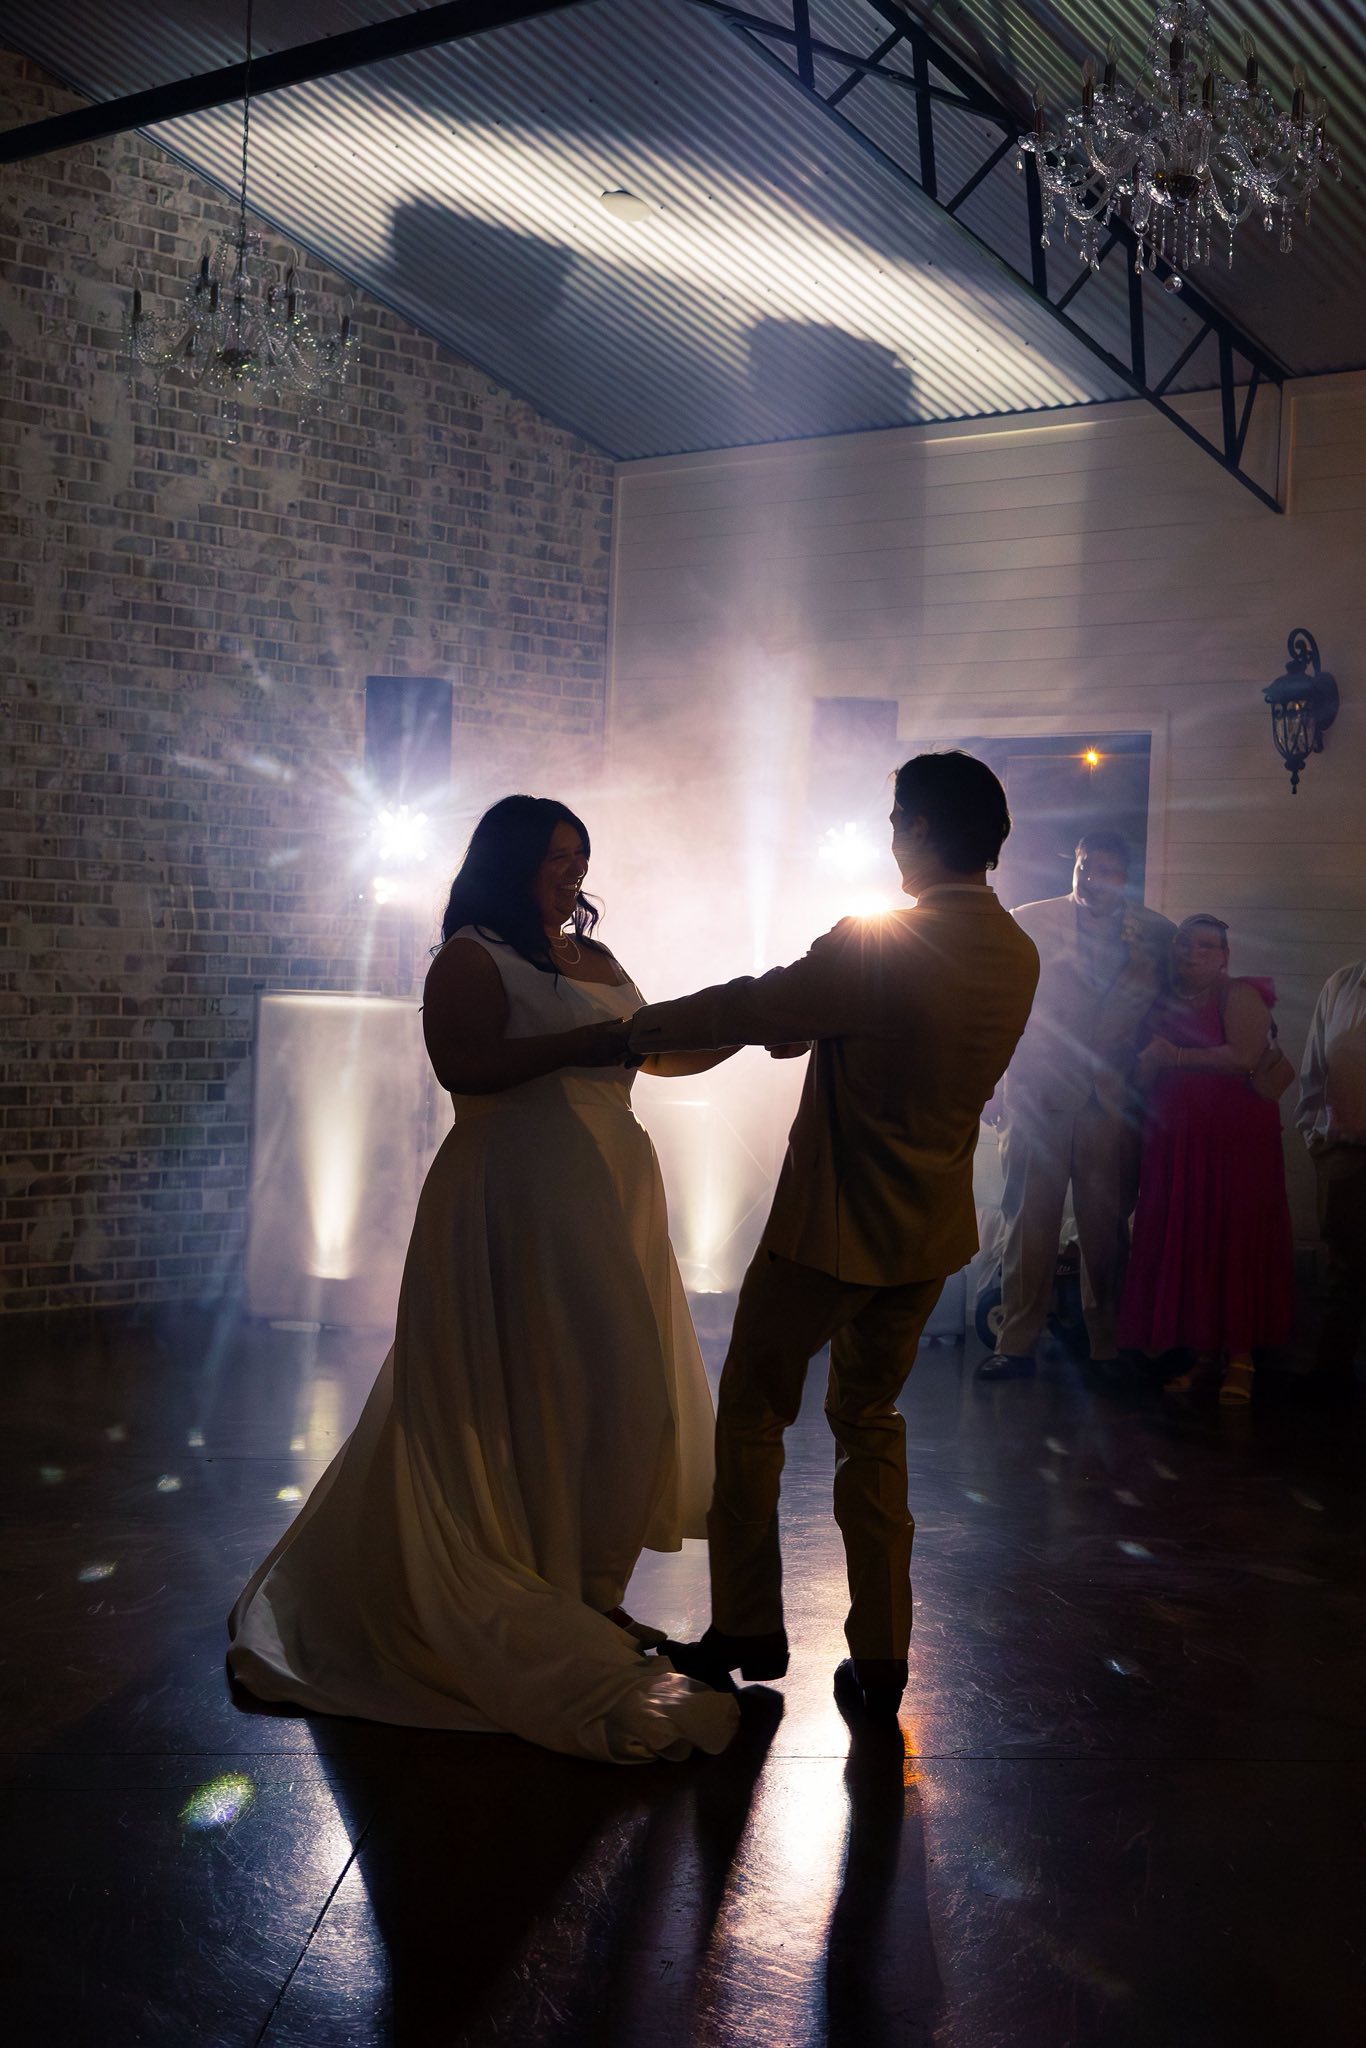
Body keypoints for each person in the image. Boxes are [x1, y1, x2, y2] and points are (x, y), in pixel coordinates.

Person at [228, 795, 741, 1764]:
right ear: (509, 863)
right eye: (554, 857)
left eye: (580, 855)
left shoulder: (593, 955)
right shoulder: (470, 956)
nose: (573, 872)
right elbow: (462, 1066)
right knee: (539, 1385)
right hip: (516, 1187)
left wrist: (744, 1024)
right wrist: (587, 1044)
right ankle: (539, 1587)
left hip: (608, 1187)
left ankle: (588, 1590)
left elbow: (651, 1050)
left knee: (620, 1392)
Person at [628, 752, 1039, 1718]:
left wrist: (627, 1030)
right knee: (871, 1422)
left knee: (751, 1415)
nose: (889, 837)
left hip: (829, 1230)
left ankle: (746, 1626)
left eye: (896, 820)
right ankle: (883, 1656)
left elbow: (752, 1004)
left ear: (922, 829)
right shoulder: (1016, 951)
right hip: (928, 1232)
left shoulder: (878, 941)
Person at [978, 831, 1173, 1381]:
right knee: (1027, 1219)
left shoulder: (1157, 933)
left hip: (1111, 1095)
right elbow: (997, 1003)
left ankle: (1107, 1343)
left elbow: (1172, 1007)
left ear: (1124, 876)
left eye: (1105, 870)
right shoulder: (1028, 920)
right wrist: (991, 1081)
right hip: (1036, 1090)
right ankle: (1015, 1342)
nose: (1091, 879)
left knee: (1105, 1224)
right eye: (1084, 867)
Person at [1118, 914, 1294, 1403]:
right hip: (1176, 1141)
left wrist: (1173, 1056)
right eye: (1184, 943)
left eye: (1204, 946)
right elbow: (1145, 1066)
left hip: (1233, 1142)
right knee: (1192, 1239)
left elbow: (1244, 1056)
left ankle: (1241, 1358)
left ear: (1224, 956)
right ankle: (1203, 1354)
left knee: (1232, 1238)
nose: (1191, 953)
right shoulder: (1163, 999)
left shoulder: (1238, 993)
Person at [1296, 958, 1366, 1399]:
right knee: (1343, 1270)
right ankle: (1332, 1375)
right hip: (1345, 1152)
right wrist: (1317, 1139)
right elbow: (1315, 1069)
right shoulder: (1343, 983)